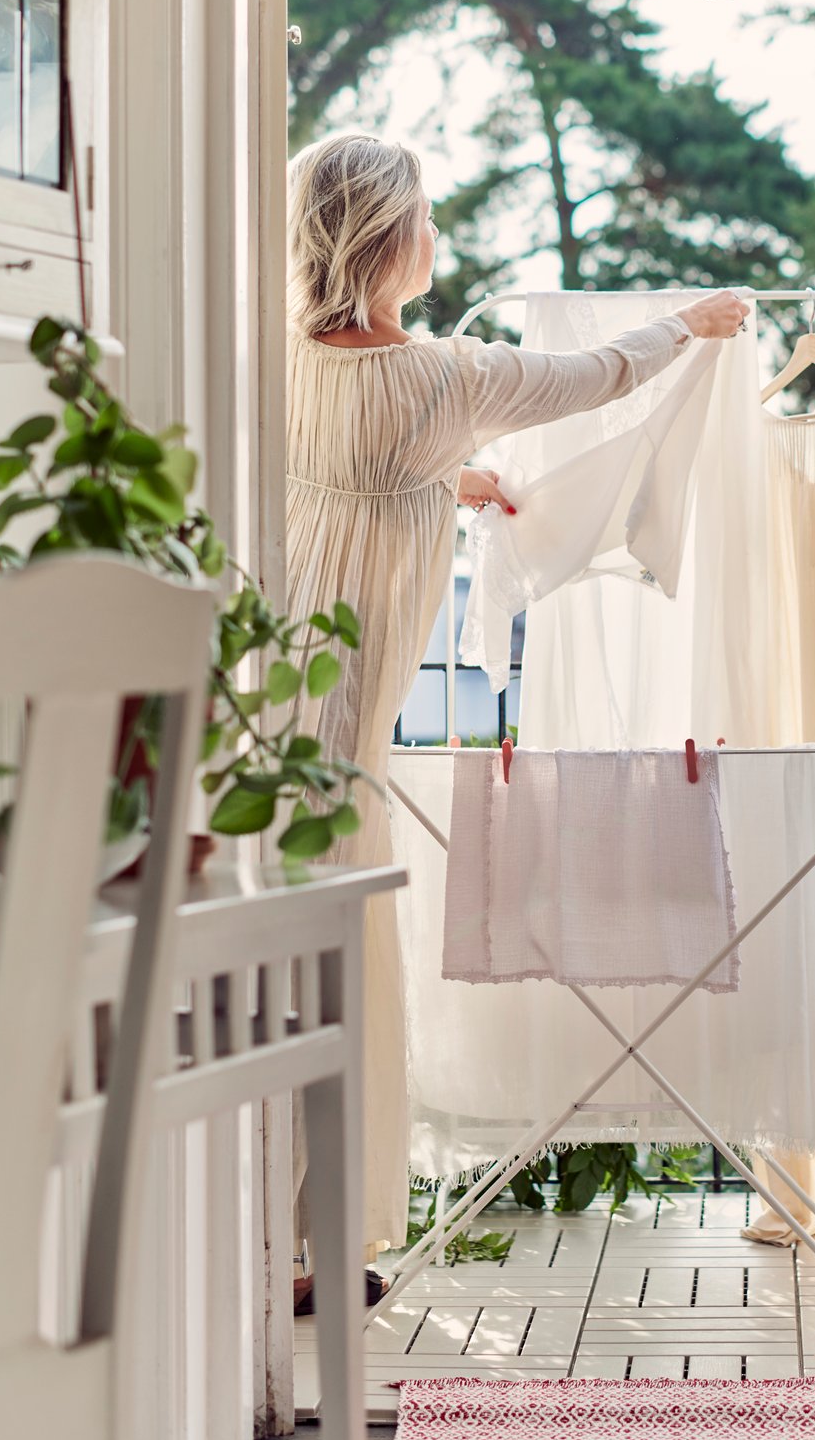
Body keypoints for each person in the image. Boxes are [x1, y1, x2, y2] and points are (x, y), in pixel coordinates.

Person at [284, 130, 745, 1277]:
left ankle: (267, 1238)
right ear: (392, 241)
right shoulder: (449, 379)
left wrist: (453, 479)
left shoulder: (274, 366)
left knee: (264, 984)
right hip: (342, 747)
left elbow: (342, 478)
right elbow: (599, 378)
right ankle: (319, 1245)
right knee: (333, 977)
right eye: (424, 215)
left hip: (257, 713)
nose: (434, 233)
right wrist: (686, 324)